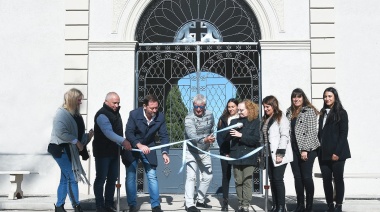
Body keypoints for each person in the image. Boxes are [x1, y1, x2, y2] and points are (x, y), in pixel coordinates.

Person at [123, 94, 170, 212]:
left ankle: (155, 205)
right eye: (151, 108)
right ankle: (132, 205)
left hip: (149, 147)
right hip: (133, 147)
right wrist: (139, 145)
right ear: (144, 106)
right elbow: (129, 132)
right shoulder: (134, 114)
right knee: (131, 176)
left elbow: (164, 136)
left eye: (156, 108)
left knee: (152, 175)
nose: (154, 111)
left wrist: (165, 152)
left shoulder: (160, 117)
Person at [48, 88, 92, 212]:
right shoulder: (61, 113)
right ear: (72, 100)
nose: (81, 103)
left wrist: (88, 137)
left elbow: (79, 135)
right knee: (72, 177)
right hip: (60, 149)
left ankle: (59, 206)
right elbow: (61, 132)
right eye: (79, 100)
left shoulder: (76, 115)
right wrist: (76, 141)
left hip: (70, 151)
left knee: (65, 178)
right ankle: (76, 206)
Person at [92, 92, 132, 212]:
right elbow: (108, 132)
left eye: (118, 103)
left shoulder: (115, 113)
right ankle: (100, 205)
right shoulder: (102, 115)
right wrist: (123, 141)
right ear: (106, 102)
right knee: (101, 179)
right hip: (102, 152)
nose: (117, 105)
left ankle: (109, 204)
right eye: (114, 103)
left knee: (112, 179)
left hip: (114, 152)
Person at [286, 88, 320, 212]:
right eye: (294, 97)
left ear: (303, 98)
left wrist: (305, 149)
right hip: (293, 149)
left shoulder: (309, 111)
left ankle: (309, 206)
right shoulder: (289, 112)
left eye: (299, 97)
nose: (296, 99)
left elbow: (311, 132)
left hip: (308, 149)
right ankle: (300, 205)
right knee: (297, 178)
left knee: (306, 177)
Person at [318, 87, 350, 212]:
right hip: (324, 153)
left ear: (335, 97)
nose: (327, 98)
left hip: (338, 153)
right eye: (325, 96)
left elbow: (343, 134)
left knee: (338, 179)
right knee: (326, 180)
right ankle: (330, 205)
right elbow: (321, 133)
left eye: (330, 96)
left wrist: (336, 152)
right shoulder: (322, 112)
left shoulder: (341, 113)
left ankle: (339, 205)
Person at [225, 99, 260, 212]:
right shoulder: (234, 122)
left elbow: (255, 139)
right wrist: (232, 131)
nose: (239, 112)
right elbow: (227, 138)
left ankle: (246, 204)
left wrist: (241, 135)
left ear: (249, 109)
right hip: (236, 155)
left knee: (247, 180)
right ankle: (240, 203)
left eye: (241, 110)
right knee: (238, 180)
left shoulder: (256, 122)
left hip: (249, 156)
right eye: (238, 110)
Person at [184, 94, 215, 212]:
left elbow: (211, 128)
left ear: (204, 106)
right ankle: (189, 204)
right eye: (196, 106)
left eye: (201, 107)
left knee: (208, 176)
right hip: (191, 151)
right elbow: (192, 135)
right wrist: (204, 139)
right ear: (193, 105)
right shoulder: (188, 118)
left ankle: (200, 201)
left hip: (205, 150)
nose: (198, 109)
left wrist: (211, 138)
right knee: (191, 177)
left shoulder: (210, 114)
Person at [261, 96, 292, 212]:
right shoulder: (265, 119)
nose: (265, 109)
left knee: (278, 179)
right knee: (272, 180)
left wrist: (280, 153)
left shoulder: (281, 117)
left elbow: (284, 135)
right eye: (264, 107)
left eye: (267, 106)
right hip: (268, 155)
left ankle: (281, 207)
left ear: (273, 106)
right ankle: (275, 205)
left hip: (278, 154)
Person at [217, 98, 240, 211]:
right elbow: (219, 136)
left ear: (237, 107)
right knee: (226, 176)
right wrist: (226, 152)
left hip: (237, 152)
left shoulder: (242, 119)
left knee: (239, 177)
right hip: (224, 152)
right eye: (229, 106)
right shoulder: (222, 119)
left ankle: (241, 203)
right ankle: (225, 204)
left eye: (233, 106)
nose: (231, 109)